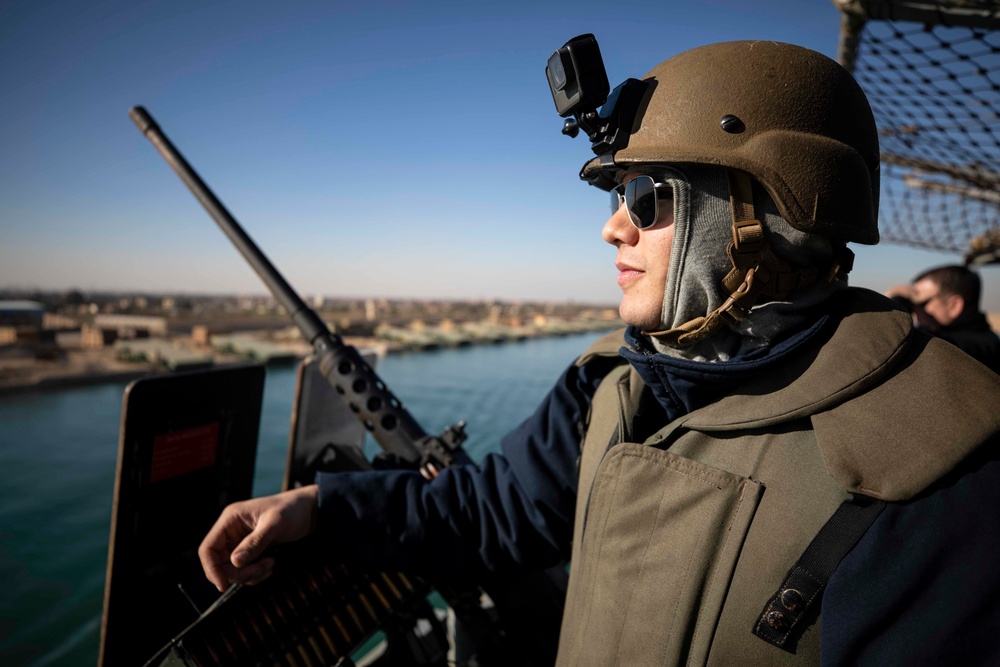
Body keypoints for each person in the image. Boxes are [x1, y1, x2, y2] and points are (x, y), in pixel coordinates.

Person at [199, 40, 1000, 665]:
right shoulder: (618, 382)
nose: (614, 226)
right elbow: (495, 508)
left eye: (649, 197)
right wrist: (322, 507)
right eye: (618, 195)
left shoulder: (935, 467)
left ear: (771, 215)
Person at [885, 265, 1000, 374]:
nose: (916, 311)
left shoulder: (982, 347)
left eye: (922, 303)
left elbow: (906, 342)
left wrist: (896, 304)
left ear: (953, 306)